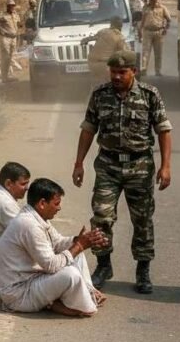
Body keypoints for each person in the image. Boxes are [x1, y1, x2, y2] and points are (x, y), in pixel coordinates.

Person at [72, 50, 172, 294]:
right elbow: (88, 129)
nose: (116, 76)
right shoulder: (99, 95)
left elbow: (163, 130)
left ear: (133, 72)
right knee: (102, 216)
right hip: (108, 165)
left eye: (122, 72)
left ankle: (143, 269)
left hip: (139, 166)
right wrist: (79, 163)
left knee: (142, 219)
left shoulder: (149, 95)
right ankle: (104, 265)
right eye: (113, 72)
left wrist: (165, 166)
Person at [0, 178, 109, 317]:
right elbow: (51, 265)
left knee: (76, 254)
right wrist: (80, 245)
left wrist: (78, 240)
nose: (59, 208)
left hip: (33, 279)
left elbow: (57, 242)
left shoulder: (36, 217)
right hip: (20, 294)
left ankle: (88, 292)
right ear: (42, 203)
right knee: (70, 273)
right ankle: (81, 303)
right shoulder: (29, 224)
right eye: (56, 203)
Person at [81, 16, 129, 86]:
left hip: (92, 63)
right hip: (105, 65)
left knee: (98, 82)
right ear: (121, 26)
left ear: (111, 24)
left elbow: (88, 39)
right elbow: (125, 53)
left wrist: (84, 41)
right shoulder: (119, 37)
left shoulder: (103, 31)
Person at [137, 0, 171, 77]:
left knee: (158, 53)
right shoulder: (145, 8)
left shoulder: (162, 8)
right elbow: (142, 21)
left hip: (158, 32)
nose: (152, 1)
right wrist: (139, 32)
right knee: (145, 52)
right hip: (147, 32)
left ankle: (158, 71)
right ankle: (144, 69)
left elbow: (168, 20)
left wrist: (165, 28)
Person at [0, 0, 20, 83]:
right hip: (5, 38)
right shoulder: (3, 15)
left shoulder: (16, 14)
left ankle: (7, 76)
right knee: (5, 57)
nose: (12, 7)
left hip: (13, 38)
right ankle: (4, 77)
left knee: (10, 57)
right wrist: (0, 30)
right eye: (10, 6)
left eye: (13, 5)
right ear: (7, 6)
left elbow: (18, 23)